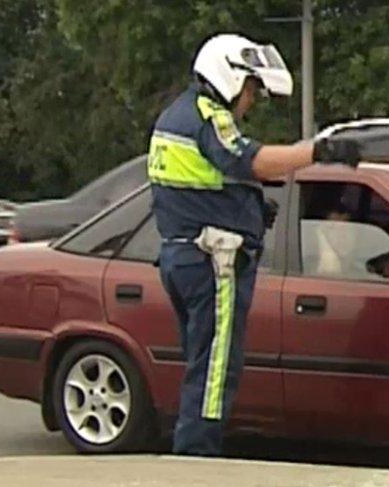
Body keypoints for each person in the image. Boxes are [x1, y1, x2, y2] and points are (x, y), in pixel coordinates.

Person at [148, 33, 360, 456]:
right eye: (251, 90)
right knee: (215, 371)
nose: (253, 100)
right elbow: (252, 160)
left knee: (201, 363)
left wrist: (246, 207)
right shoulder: (209, 117)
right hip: (213, 261)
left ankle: (190, 454)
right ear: (229, 77)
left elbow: (202, 184)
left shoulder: (174, 116)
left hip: (182, 255)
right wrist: (317, 151)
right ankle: (197, 458)